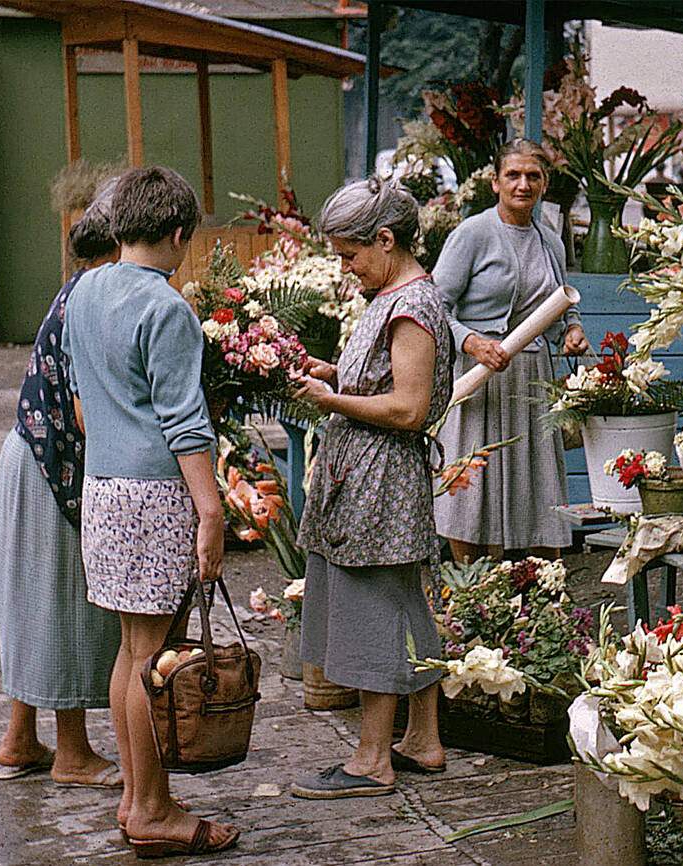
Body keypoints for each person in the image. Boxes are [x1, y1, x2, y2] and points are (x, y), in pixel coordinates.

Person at [63, 166, 238, 857]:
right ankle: (154, 808)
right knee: (153, 657)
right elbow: (185, 424)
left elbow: (85, 398)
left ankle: (139, 796)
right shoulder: (166, 308)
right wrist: (211, 511)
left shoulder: (83, 290)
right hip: (153, 494)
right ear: (177, 233)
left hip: (104, 487)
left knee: (131, 651)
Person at [290, 175, 454, 799]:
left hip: (379, 478)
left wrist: (331, 397)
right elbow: (383, 381)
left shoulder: (411, 304)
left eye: (350, 254)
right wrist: (332, 373)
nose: (346, 267)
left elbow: (410, 407)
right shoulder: (393, 297)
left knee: (371, 610)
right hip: (367, 470)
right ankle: (424, 739)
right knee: (403, 604)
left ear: (386, 240)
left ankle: (370, 760)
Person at [0, 180, 123, 789]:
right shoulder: (98, 296)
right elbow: (86, 411)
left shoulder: (73, 290)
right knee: (66, 599)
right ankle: (72, 753)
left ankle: (20, 737)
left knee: (28, 596)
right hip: (55, 465)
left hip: (25, 452)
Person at [433, 139, 590, 564]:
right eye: (513, 175)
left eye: (533, 176)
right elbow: (432, 306)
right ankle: (471, 588)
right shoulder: (472, 234)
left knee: (538, 485)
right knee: (473, 486)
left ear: (544, 184)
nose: (523, 184)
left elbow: (556, 308)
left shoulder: (552, 242)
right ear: (495, 181)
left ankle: (543, 591)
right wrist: (471, 341)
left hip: (532, 379)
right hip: (478, 377)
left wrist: (571, 332)